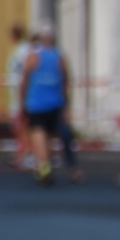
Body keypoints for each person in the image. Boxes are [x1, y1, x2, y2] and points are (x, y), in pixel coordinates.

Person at [17, 24, 72, 187]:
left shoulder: (33, 56)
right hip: (55, 102)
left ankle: (44, 165)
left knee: (37, 133)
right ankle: (45, 164)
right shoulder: (59, 56)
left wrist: (22, 100)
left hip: (36, 103)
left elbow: (25, 79)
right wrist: (65, 102)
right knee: (48, 136)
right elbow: (65, 80)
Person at [4, 24, 31, 162]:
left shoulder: (25, 50)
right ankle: (21, 154)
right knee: (18, 125)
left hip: (22, 92)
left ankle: (27, 154)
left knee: (23, 125)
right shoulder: (19, 49)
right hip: (16, 91)